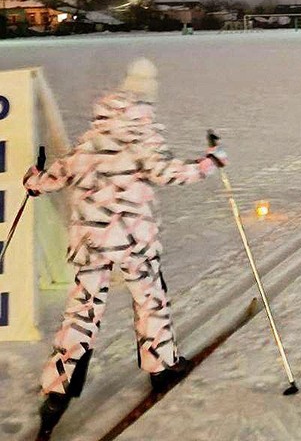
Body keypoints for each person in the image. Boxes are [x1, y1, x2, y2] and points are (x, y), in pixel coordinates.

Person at [21, 58, 227, 439]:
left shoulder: (90, 139)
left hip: (92, 245)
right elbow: (171, 173)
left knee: (81, 317)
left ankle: (56, 394)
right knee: (150, 301)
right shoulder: (142, 137)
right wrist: (210, 161)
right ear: (145, 100)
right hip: (134, 242)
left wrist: (35, 181)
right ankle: (161, 367)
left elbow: (57, 175)